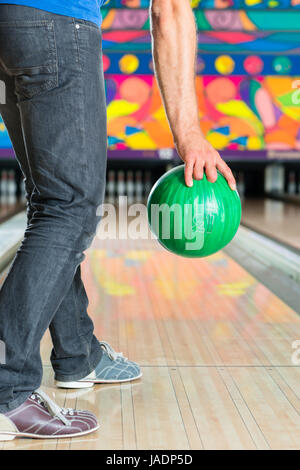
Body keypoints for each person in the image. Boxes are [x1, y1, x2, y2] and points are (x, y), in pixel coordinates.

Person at [0, 0, 236, 441]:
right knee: (70, 207)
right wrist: (190, 136)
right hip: (56, 23)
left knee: (51, 201)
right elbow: (170, 10)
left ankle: (77, 354)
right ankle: (6, 388)